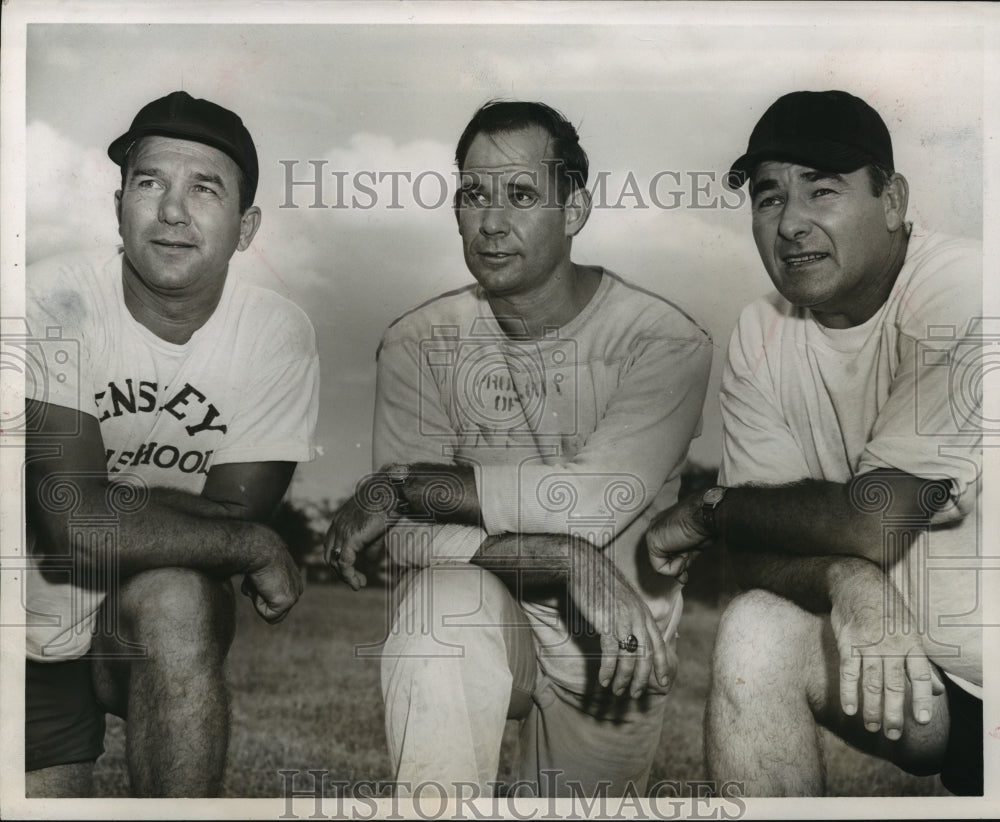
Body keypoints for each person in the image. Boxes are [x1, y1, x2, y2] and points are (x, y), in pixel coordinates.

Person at [324, 100, 712, 797]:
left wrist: (408, 482)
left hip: (610, 653)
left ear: (574, 209)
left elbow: (593, 505)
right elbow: (409, 541)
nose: (493, 222)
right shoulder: (421, 340)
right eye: (474, 195)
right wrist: (559, 558)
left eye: (522, 195)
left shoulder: (663, 341)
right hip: (488, 607)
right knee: (439, 614)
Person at [644, 90, 983, 796]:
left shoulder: (965, 292)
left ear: (892, 200)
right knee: (757, 632)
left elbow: (873, 519)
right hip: (934, 687)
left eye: (821, 191)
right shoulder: (763, 331)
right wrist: (842, 576)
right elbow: (766, 552)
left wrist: (710, 511)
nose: (791, 224)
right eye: (769, 199)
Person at [23, 90, 320, 797]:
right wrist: (247, 545)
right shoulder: (50, 298)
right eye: (150, 182)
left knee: (182, 596)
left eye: (204, 189)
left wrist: (228, 536)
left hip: (131, 617)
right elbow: (78, 522)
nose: (172, 211)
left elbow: (232, 520)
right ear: (118, 202)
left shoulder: (276, 333)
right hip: (20, 623)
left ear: (246, 228)